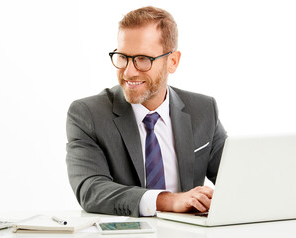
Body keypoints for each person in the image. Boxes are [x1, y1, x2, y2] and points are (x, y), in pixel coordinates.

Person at [66, 6, 227, 217]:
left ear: (173, 61)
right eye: (123, 57)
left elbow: (236, 180)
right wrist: (168, 200)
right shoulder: (88, 115)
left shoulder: (203, 110)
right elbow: (91, 190)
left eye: (143, 59)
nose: (129, 72)